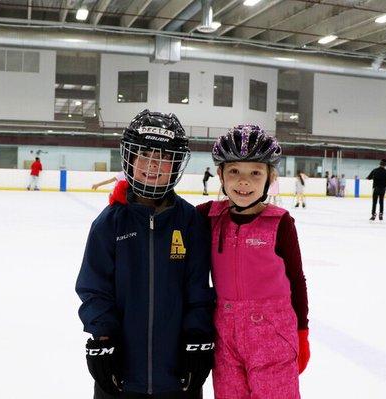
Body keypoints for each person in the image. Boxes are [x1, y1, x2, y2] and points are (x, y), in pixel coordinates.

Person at [75, 110, 215, 399]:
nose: (153, 164)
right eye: (145, 153)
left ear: (176, 164)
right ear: (130, 158)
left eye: (164, 157)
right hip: (121, 374)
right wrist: (103, 338)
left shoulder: (190, 222)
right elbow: (94, 288)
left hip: (178, 376)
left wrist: (197, 337)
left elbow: (199, 290)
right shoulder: (109, 223)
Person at [197, 125, 310, 399]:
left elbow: (296, 278)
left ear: (269, 178)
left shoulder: (280, 223)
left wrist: (302, 332)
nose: (243, 182)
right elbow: (168, 215)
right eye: (234, 171)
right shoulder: (207, 217)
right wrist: (126, 199)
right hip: (224, 336)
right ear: (221, 175)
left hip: (273, 336)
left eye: (255, 173)